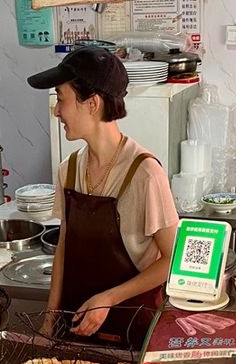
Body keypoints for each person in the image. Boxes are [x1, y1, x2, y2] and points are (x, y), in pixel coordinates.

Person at [28, 47, 178, 346]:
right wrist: (49, 322)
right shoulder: (68, 170)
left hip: (131, 330)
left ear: (92, 103)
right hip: (75, 328)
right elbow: (64, 250)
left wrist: (109, 298)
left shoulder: (145, 173)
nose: (56, 111)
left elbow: (173, 261)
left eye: (61, 98)